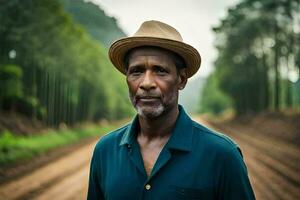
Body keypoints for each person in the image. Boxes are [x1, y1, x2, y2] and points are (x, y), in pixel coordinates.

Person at [87, 20, 255, 200]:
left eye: (160, 71)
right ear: (127, 78)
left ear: (181, 79)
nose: (146, 83)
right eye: (137, 71)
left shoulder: (222, 155)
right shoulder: (105, 151)